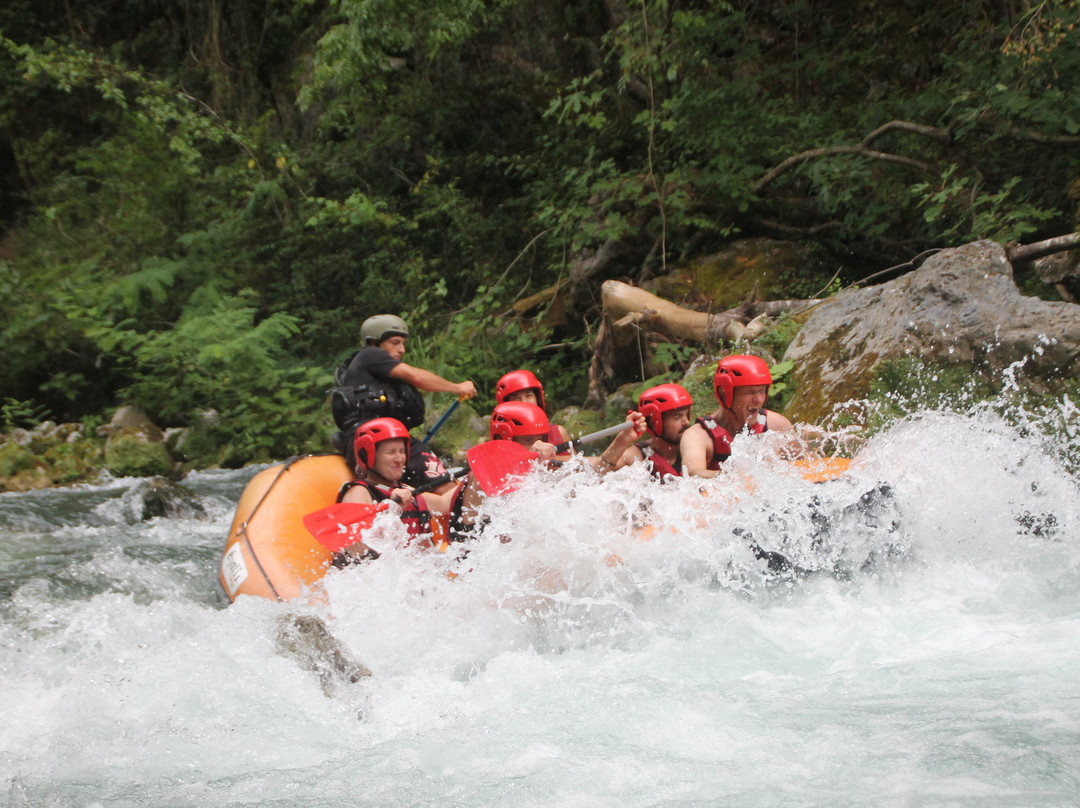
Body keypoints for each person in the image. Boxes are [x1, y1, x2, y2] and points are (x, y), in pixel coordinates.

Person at [331, 314, 476, 489]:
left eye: (402, 343)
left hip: (375, 439)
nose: (402, 349)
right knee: (450, 489)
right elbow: (416, 377)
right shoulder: (370, 355)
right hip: (378, 439)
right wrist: (457, 387)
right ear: (374, 343)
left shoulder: (375, 372)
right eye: (395, 342)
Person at [335, 418, 454, 563]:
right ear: (369, 455)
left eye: (402, 451)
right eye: (391, 452)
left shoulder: (405, 490)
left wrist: (473, 476)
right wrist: (389, 508)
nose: (399, 459)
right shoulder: (359, 492)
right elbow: (355, 548)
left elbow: (445, 503)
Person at [679, 355, 794, 479]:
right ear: (725, 394)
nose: (759, 400)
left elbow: (806, 465)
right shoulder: (698, 436)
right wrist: (739, 478)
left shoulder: (776, 424)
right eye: (750, 392)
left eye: (762, 391)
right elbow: (694, 472)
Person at [597, 383, 693, 481]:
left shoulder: (696, 446)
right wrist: (623, 440)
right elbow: (597, 472)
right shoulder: (638, 457)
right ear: (654, 422)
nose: (686, 422)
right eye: (677, 417)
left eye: (687, 414)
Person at [494, 370, 571, 444]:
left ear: (538, 399)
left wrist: (549, 455)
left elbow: (576, 457)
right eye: (516, 399)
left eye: (528, 396)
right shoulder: (502, 438)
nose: (524, 402)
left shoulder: (557, 432)